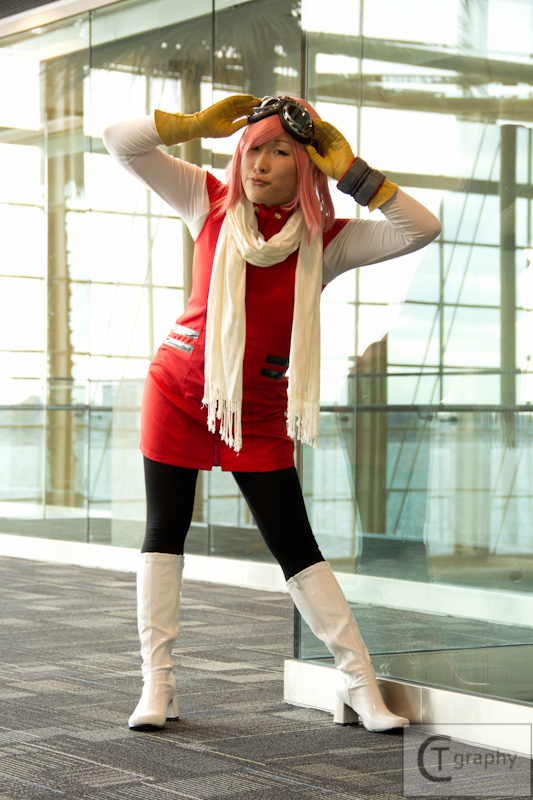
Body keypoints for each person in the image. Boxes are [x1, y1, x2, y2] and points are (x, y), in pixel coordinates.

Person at [102, 94, 441, 734]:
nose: (258, 162)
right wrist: (192, 126)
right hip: (177, 392)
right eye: (252, 148)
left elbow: (419, 228)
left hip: (259, 411)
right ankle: (158, 683)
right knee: (165, 528)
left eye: (278, 151)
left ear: (306, 165)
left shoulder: (326, 241)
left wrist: (353, 172)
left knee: (294, 543)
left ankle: (359, 684)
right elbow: (120, 140)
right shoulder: (209, 201)